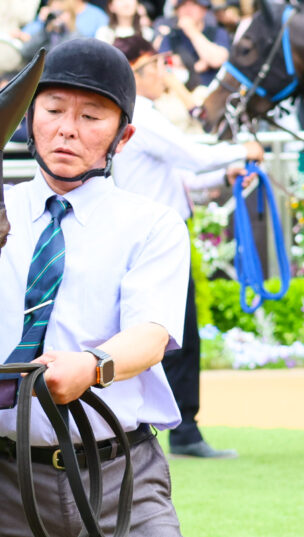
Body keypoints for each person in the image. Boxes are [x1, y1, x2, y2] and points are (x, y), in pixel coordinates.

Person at [0, 38, 188, 536]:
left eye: (92, 117)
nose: (67, 129)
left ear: (123, 136)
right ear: (28, 118)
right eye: (53, 109)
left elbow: (152, 333)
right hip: (4, 479)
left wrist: (92, 367)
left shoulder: (153, 224)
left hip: (122, 472)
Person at [111, 35, 264, 459]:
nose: (166, 73)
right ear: (137, 72)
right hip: (153, 238)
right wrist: (243, 149)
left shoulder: (141, 114)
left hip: (152, 233)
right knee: (172, 334)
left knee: (168, 333)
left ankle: (177, 427)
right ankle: (183, 430)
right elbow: (194, 158)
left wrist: (226, 172)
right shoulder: (140, 112)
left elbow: (184, 175)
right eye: (158, 65)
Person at [154, 0, 229, 92]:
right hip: (181, 94)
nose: (188, 9)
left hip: (212, 93)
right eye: (183, 5)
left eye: (194, 4)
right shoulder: (170, 37)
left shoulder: (218, 33)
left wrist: (191, 30)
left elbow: (217, 60)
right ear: (177, 11)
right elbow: (163, 69)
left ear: (204, 10)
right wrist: (196, 67)